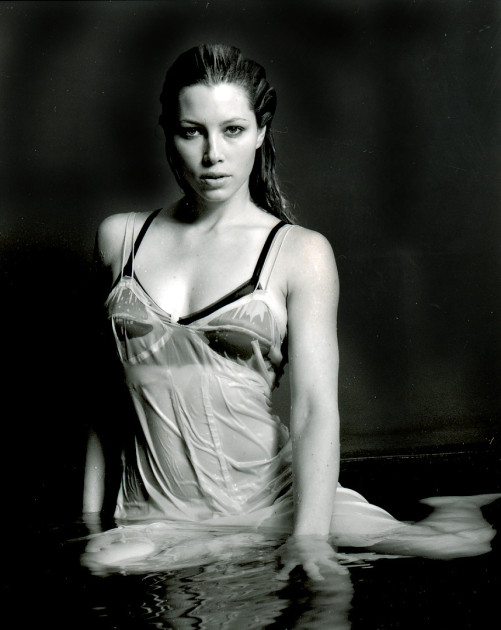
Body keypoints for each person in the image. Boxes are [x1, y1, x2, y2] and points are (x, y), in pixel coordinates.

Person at [83, 44, 499, 578]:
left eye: (233, 130)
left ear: (261, 132)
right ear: (168, 133)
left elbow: (314, 408)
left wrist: (309, 537)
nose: (213, 154)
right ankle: (226, 547)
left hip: (271, 498)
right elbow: (102, 402)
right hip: (159, 513)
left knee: (458, 548)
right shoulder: (119, 239)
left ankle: (456, 512)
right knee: (101, 562)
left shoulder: (300, 252)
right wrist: (90, 518)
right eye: (192, 131)